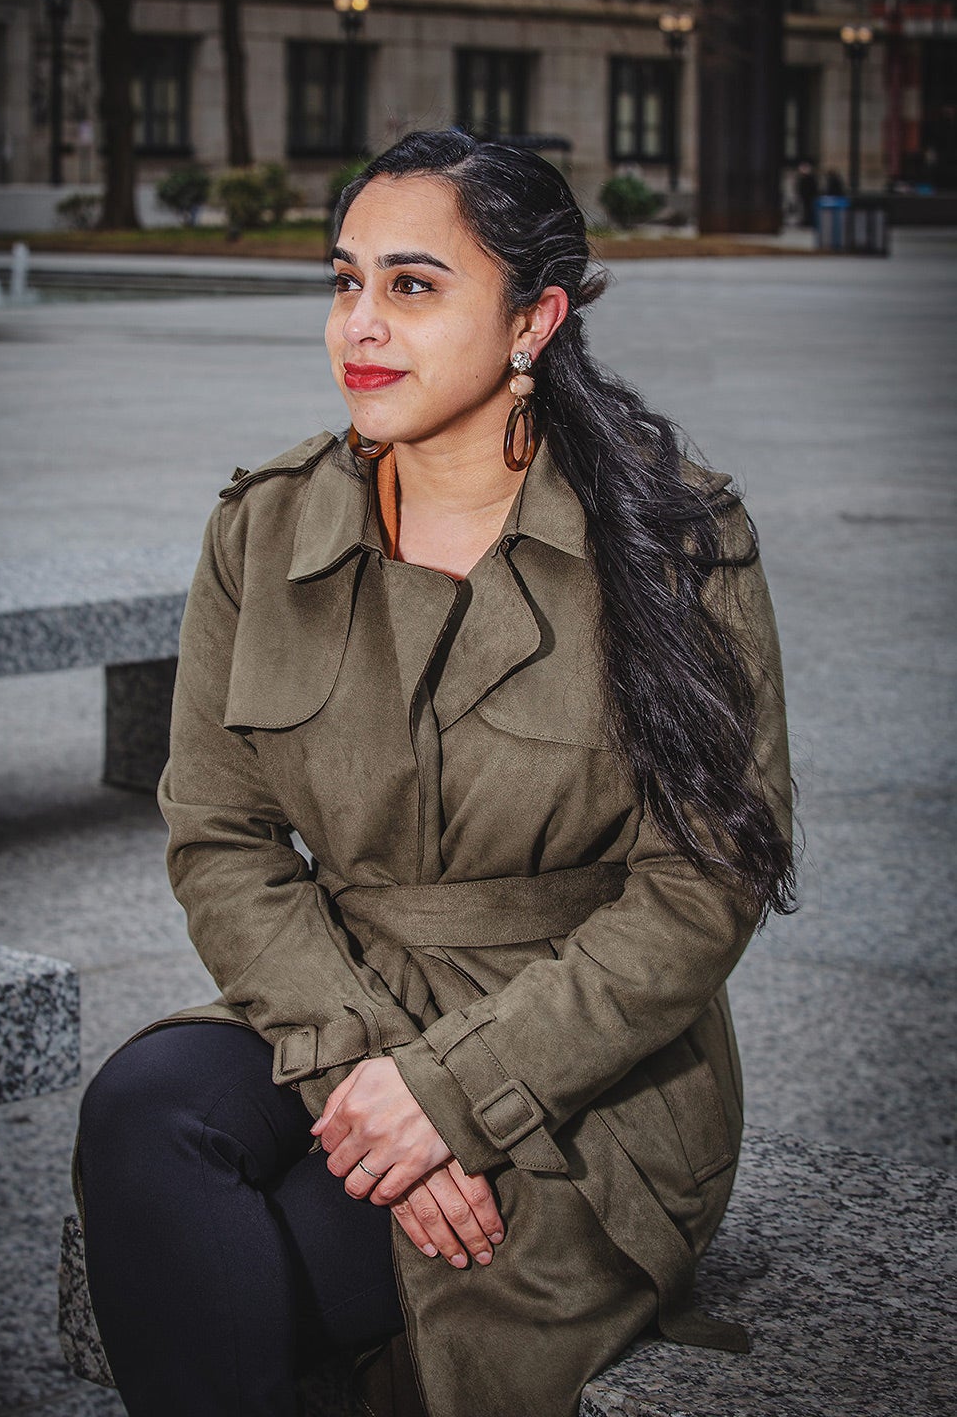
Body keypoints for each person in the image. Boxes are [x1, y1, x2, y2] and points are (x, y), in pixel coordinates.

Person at [75, 129, 795, 1417]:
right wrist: (373, 1073)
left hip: (590, 1061)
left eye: (413, 285)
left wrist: (456, 1093)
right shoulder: (265, 526)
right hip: (340, 998)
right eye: (343, 279)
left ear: (535, 319)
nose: (361, 323)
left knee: (263, 1256)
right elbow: (221, 838)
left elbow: (708, 884)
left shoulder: (678, 535)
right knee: (144, 1112)